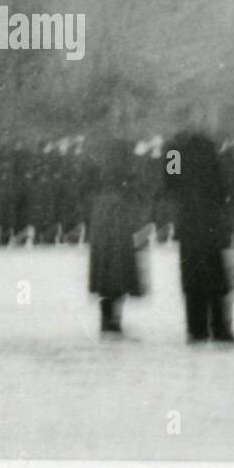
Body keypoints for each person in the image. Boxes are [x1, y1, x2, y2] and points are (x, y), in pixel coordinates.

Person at [163, 110, 234, 343]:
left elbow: (171, 182)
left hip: (188, 219)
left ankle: (196, 328)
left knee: (192, 275)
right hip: (211, 219)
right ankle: (220, 326)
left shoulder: (173, 147)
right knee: (216, 275)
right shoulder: (211, 146)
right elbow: (225, 182)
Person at [87, 130, 147, 336]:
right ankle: (114, 319)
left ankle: (107, 318)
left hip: (102, 215)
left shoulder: (97, 158)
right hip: (122, 216)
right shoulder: (132, 162)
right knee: (120, 269)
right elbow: (145, 185)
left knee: (105, 269)